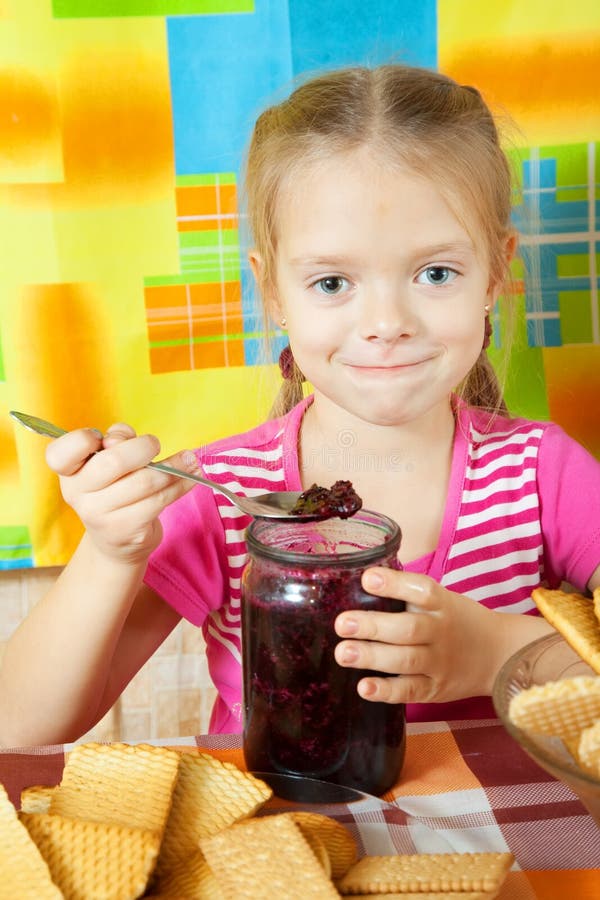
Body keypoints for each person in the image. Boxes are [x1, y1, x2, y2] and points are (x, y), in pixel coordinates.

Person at [1, 64, 599, 748]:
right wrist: (110, 554)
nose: (387, 323)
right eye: (333, 282)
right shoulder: (222, 496)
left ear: (493, 274)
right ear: (274, 293)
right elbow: (17, 728)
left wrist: (500, 652)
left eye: (436, 273)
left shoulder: (542, 475)